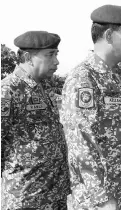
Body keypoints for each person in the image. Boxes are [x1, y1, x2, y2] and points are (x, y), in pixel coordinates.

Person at [59, 5, 121, 210]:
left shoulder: (117, 76)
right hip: (103, 200)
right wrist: (102, 198)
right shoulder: (84, 78)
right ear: (108, 35)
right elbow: (82, 144)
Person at [1, 31, 70, 209]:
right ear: (27, 57)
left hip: (55, 195)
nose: (56, 61)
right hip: (26, 199)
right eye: (50, 55)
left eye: (56, 54)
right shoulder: (8, 90)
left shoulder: (44, 87)